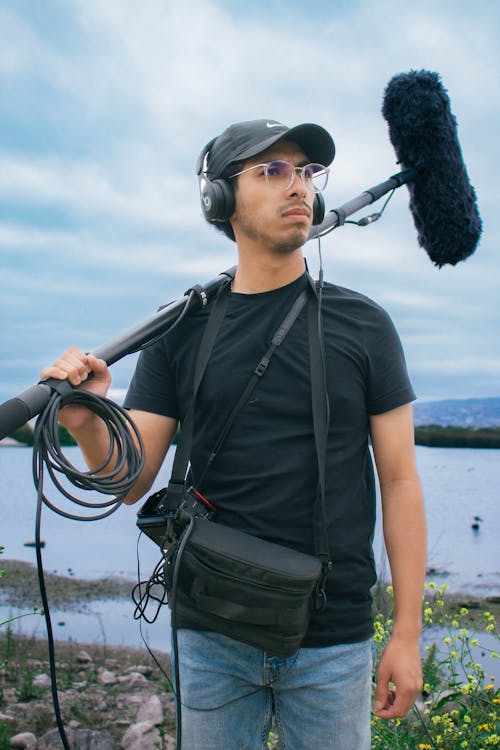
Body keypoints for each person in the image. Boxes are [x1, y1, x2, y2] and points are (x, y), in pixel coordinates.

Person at [41, 118, 426, 749]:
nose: (297, 185)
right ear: (219, 199)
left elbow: (402, 482)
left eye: (305, 170)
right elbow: (131, 480)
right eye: (272, 170)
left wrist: (405, 634)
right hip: (211, 630)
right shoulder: (180, 331)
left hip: (333, 639)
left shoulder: (365, 327)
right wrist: (85, 421)